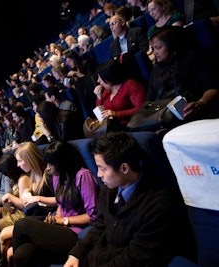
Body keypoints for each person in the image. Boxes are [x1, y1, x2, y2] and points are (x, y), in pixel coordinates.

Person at [62, 132, 190, 267]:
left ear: (124, 168)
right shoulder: (107, 191)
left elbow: (136, 257)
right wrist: (77, 253)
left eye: (102, 169)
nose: (99, 175)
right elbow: (99, 226)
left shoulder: (158, 203)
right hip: (97, 258)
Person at [11, 141, 99, 267]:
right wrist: (55, 218)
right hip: (60, 228)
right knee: (22, 253)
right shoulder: (58, 176)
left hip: (77, 233)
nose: (48, 168)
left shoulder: (83, 176)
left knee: (22, 224)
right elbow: (60, 202)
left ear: (62, 162)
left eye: (51, 164)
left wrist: (63, 220)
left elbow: (93, 216)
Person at [147, 26, 219, 122]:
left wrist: (200, 103)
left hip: (195, 114)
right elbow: (150, 100)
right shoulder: (156, 70)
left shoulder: (193, 58)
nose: (155, 53)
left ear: (171, 46)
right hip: (164, 118)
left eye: (158, 48)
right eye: (153, 48)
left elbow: (213, 86)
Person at [93, 60, 146, 126]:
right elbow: (101, 117)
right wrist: (99, 98)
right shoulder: (107, 90)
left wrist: (116, 114)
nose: (98, 81)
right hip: (113, 128)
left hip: (132, 125)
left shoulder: (131, 85)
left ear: (109, 77)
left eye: (100, 77)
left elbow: (142, 108)